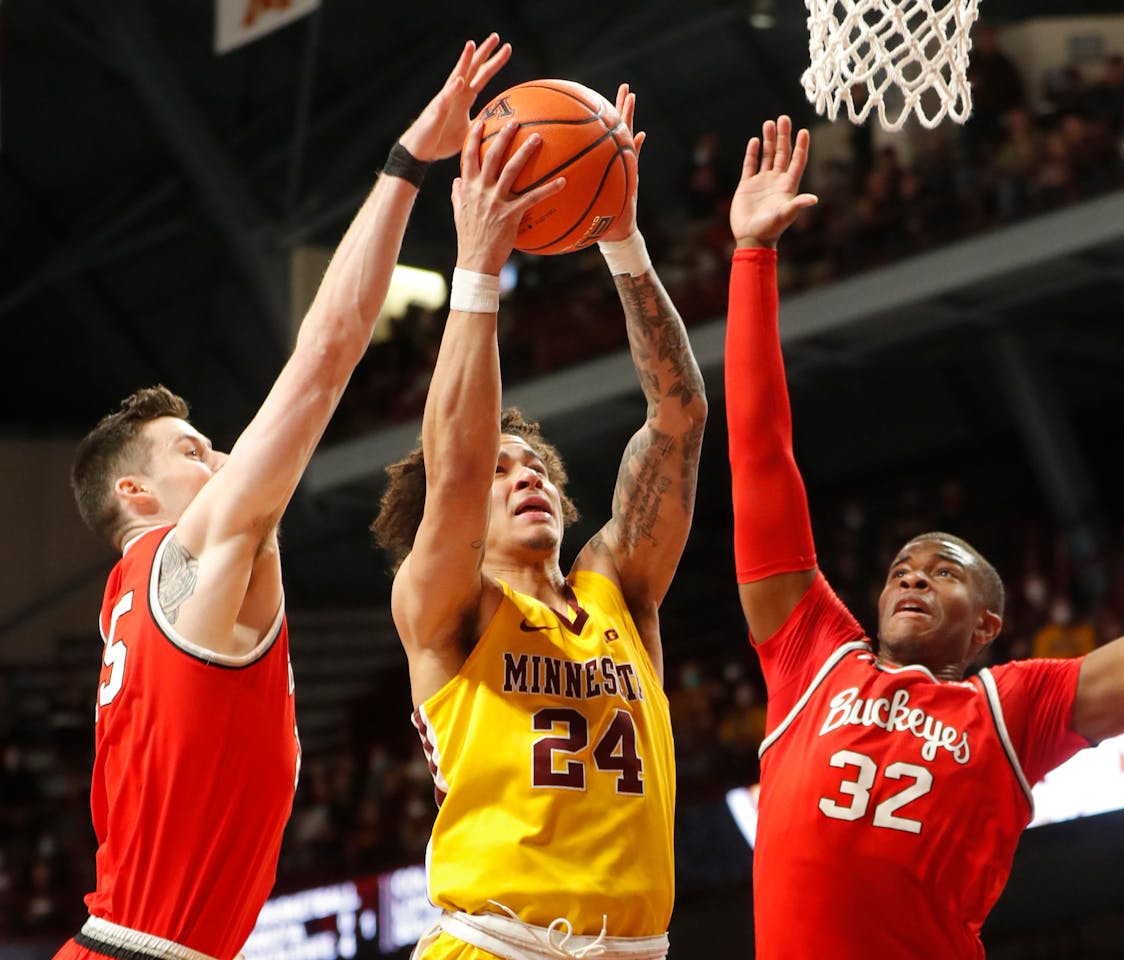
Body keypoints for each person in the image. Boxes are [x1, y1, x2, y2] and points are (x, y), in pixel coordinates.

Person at [724, 116, 1124, 958]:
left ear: (988, 625)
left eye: (943, 572)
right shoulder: (811, 656)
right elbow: (760, 454)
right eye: (901, 569)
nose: (913, 577)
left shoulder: (1013, 707)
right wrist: (752, 256)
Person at [54, 37, 515, 960]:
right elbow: (328, 352)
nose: (223, 460)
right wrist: (407, 163)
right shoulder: (192, 552)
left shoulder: (126, 604)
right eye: (194, 450)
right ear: (135, 492)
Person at [371, 85, 705, 960]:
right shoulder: (448, 606)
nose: (525, 481)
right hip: (495, 946)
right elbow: (455, 466)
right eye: (501, 472)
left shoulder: (617, 591)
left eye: (539, 472)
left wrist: (622, 240)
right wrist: (476, 264)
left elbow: (678, 419)